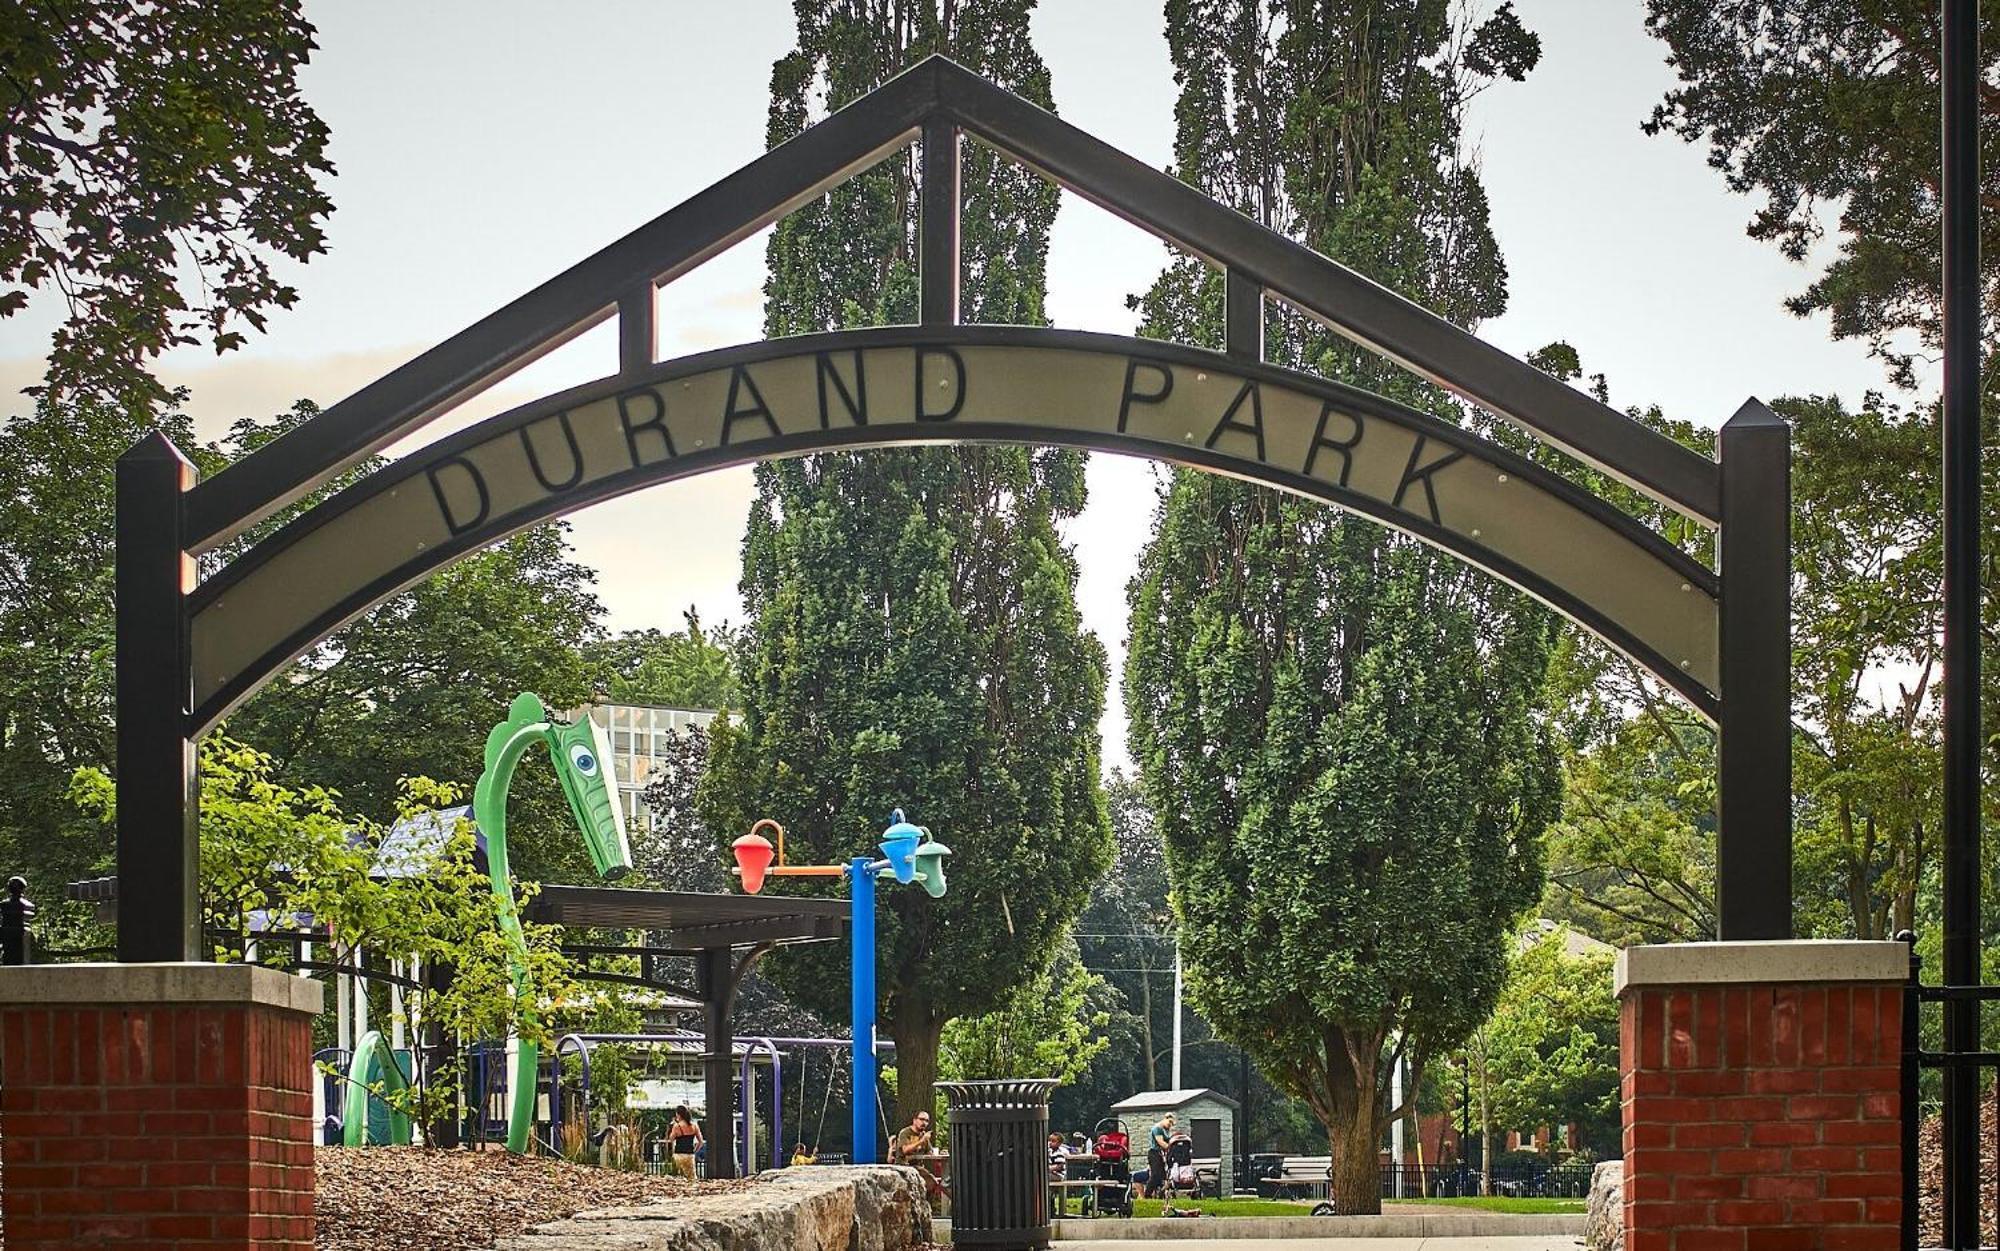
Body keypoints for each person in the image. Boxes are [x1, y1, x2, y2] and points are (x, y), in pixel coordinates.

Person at [1143, 1112, 1175, 1200]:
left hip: (1161, 1154)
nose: (1170, 1125)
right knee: (1155, 1174)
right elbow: (1161, 1142)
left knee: (1163, 1176)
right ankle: (1147, 1194)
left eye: (1172, 1124)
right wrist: (1171, 1148)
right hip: (1154, 1153)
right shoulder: (1157, 1128)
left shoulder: (1165, 1129)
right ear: (1165, 1119)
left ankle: (1161, 1194)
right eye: (1169, 1123)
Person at [667, 1105, 703, 1180]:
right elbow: (700, 1142)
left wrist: (672, 1126)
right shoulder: (694, 1125)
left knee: (679, 1177)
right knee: (691, 1178)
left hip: (679, 1154)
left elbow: (671, 1139)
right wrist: (694, 1151)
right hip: (690, 1154)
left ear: (678, 1114)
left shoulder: (677, 1126)